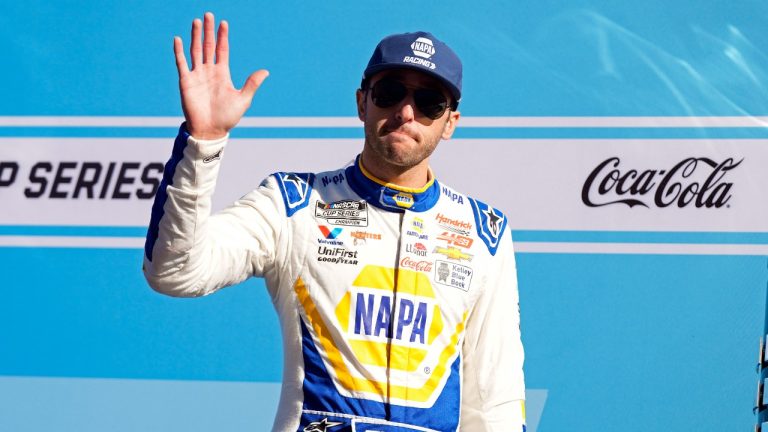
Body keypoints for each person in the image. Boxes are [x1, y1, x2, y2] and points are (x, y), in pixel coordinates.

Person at [143, 12, 526, 432]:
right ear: (362, 102)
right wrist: (204, 142)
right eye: (390, 92)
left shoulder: (483, 232)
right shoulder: (293, 204)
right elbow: (175, 271)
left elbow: (495, 402)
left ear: (450, 122)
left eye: (430, 102)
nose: (406, 112)